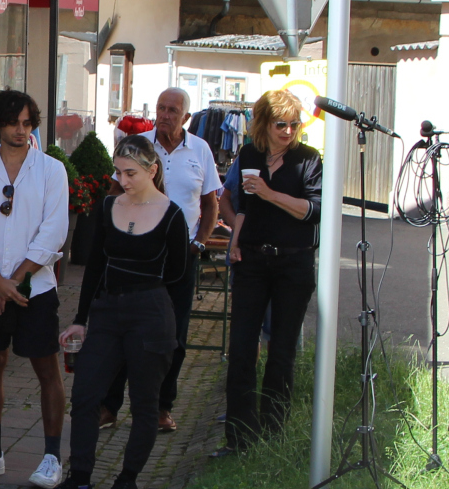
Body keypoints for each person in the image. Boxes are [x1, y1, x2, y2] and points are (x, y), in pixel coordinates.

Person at [36, 136, 189, 489]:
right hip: (107, 311)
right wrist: (81, 319)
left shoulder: (172, 216)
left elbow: (180, 278)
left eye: (131, 172)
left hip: (151, 313)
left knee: (144, 403)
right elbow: (94, 270)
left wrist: (176, 338)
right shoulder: (107, 207)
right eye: (118, 171)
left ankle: (127, 480)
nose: (123, 179)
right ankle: (80, 481)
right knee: (87, 395)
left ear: (153, 170)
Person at [0, 89, 71, 487]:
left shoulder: (52, 170)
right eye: (13, 123)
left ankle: (52, 457)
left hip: (33, 289)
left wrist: (16, 281)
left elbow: (54, 230)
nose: (21, 130)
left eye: (27, 123)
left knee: (46, 369)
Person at [101, 87, 217, 433]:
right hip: (136, 258)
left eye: (173, 110)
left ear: (186, 117)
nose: (165, 115)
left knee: (173, 336)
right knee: (124, 331)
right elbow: (112, 194)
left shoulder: (201, 150)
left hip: (180, 258)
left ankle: (161, 408)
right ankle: (109, 406)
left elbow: (211, 203)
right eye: (161, 108)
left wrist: (199, 242)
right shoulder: (137, 147)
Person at [220, 89, 324, 452]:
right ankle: (238, 437)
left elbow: (313, 211)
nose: (289, 130)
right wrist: (235, 240)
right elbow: (242, 204)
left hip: (293, 263)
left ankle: (273, 433)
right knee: (242, 348)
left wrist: (269, 193)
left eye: (296, 124)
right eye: (282, 124)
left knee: (282, 350)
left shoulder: (308, 160)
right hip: (252, 261)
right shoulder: (249, 153)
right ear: (264, 122)